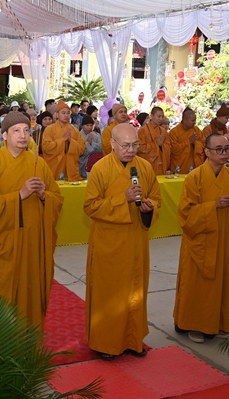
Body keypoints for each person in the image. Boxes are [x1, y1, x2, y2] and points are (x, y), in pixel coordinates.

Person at [0, 112, 63, 329]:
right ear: (4, 135)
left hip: (32, 242)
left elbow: (57, 198)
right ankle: (0, 343)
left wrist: (44, 196)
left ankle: (29, 341)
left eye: (26, 130)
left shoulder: (39, 163)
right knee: (2, 291)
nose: (23, 135)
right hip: (4, 242)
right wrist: (19, 195)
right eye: (16, 131)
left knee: (30, 290)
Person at [84, 123, 160, 360]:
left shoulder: (144, 167)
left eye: (135, 144)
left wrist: (150, 207)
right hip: (109, 242)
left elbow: (156, 197)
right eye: (125, 145)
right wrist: (122, 198)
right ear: (112, 144)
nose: (131, 150)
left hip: (136, 240)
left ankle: (132, 340)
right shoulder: (100, 169)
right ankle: (105, 343)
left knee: (134, 292)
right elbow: (90, 206)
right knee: (110, 293)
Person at [173, 134, 229, 343]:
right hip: (199, 241)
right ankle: (192, 324)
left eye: (227, 149)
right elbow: (186, 214)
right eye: (219, 149)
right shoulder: (194, 177)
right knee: (197, 285)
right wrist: (213, 206)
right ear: (207, 152)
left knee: (220, 283)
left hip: (223, 239)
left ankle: (216, 322)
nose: (224, 153)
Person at [42, 100, 86, 181]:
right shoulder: (49, 129)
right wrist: (63, 140)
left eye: (68, 113)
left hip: (71, 169)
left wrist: (71, 141)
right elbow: (46, 147)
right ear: (57, 115)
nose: (66, 115)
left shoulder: (75, 130)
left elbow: (82, 148)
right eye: (63, 113)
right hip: (55, 168)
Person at [169, 107, 205, 174]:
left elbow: (204, 144)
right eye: (193, 120)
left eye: (195, 120)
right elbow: (174, 150)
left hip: (194, 167)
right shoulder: (174, 132)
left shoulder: (196, 130)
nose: (194, 122)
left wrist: (196, 143)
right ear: (185, 120)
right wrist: (189, 141)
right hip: (179, 167)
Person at [137, 106, 171, 175]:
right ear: (151, 116)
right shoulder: (142, 131)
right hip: (148, 165)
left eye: (162, 116)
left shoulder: (163, 131)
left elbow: (169, 147)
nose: (161, 119)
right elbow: (139, 148)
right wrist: (156, 145)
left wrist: (161, 146)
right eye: (159, 116)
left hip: (161, 165)